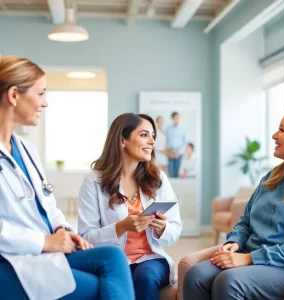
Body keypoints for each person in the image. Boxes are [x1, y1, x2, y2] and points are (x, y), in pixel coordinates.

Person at [0, 55, 135, 300]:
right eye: (41, 94)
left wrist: (62, 229)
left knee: (114, 257)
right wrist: (44, 242)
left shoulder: (26, 149)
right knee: (97, 288)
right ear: (13, 96)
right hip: (10, 258)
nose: (45, 103)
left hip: (41, 251)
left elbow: (47, 201)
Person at [183, 107, 284, 300]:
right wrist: (235, 242)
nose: (274, 135)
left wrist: (249, 258)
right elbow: (245, 220)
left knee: (229, 281)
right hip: (250, 253)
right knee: (195, 275)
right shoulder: (272, 177)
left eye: (282, 130)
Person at [78, 113, 182, 300]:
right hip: (114, 260)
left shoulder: (158, 179)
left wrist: (163, 228)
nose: (152, 141)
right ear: (122, 141)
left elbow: (175, 229)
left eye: (153, 136)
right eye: (144, 135)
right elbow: (86, 237)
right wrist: (121, 227)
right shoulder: (94, 181)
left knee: (144, 277)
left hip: (152, 259)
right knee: (122, 277)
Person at [165, 112, 187, 178]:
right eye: (176, 118)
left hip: (179, 154)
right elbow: (166, 141)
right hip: (170, 154)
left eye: (178, 118)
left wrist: (178, 153)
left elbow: (185, 142)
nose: (177, 119)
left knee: (177, 173)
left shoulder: (182, 129)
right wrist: (169, 153)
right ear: (172, 118)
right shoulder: (168, 129)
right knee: (171, 173)